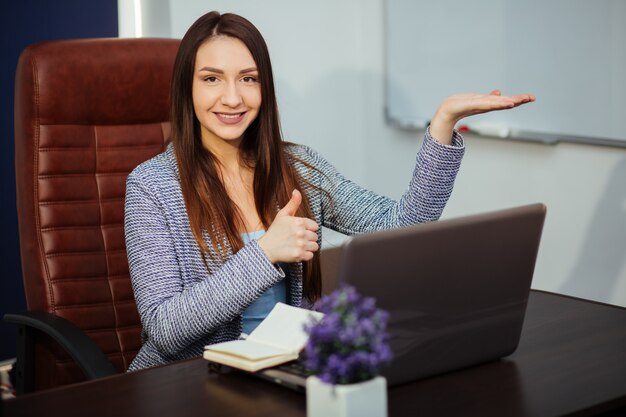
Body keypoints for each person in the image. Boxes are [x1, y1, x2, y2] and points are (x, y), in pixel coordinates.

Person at [124, 11, 535, 371]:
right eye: (212, 79)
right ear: (187, 89)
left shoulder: (299, 167)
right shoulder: (152, 187)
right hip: (191, 384)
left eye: (248, 79)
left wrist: (443, 123)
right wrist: (265, 253)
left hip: (286, 371)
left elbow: (404, 226)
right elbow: (166, 330)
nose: (232, 98)